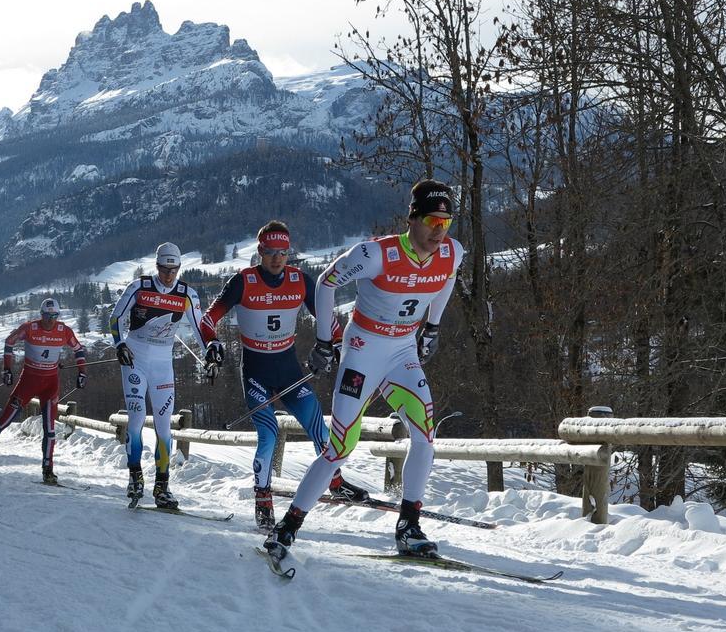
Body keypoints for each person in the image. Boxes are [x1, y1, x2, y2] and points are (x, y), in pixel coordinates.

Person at [264, 180, 463, 560]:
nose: (439, 231)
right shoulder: (376, 254)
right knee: (340, 447)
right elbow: (326, 283)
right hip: (363, 348)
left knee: (425, 433)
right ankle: (287, 527)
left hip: (403, 350)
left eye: (446, 223)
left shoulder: (452, 252)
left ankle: (409, 526)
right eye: (432, 221)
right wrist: (325, 340)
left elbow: (448, 279)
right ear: (412, 219)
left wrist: (432, 326)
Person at [199, 221, 370, 533]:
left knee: (318, 425)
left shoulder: (300, 280)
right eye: (270, 252)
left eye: (283, 252)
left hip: (288, 368)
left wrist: (332, 347)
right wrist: (212, 343)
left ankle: (335, 482)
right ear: (260, 252)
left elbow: (329, 323)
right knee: (269, 435)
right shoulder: (243, 281)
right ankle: (263, 501)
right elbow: (209, 318)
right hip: (256, 371)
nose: (277, 258)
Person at [110, 242, 209, 509]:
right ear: (157, 266)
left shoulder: (187, 293)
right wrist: (120, 345)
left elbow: (200, 328)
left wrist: (210, 349)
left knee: (164, 426)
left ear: (179, 267)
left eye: (173, 269)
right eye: (164, 269)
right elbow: (116, 317)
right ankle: (135, 478)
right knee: (137, 418)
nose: (168, 275)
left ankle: (162, 487)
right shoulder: (139, 287)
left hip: (163, 362)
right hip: (135, 358)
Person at [0, 297, 87, 483]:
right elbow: (9, 341)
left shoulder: (64, 331)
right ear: (41, 314)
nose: (50, 320)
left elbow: (79, 349)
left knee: (50, 430)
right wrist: (7, 368)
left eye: (54, 316)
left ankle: (48, 469)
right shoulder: (30, 328)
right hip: (28, 382)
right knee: (4, 421)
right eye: (47, 315)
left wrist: (82, 373)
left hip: (50, 384)